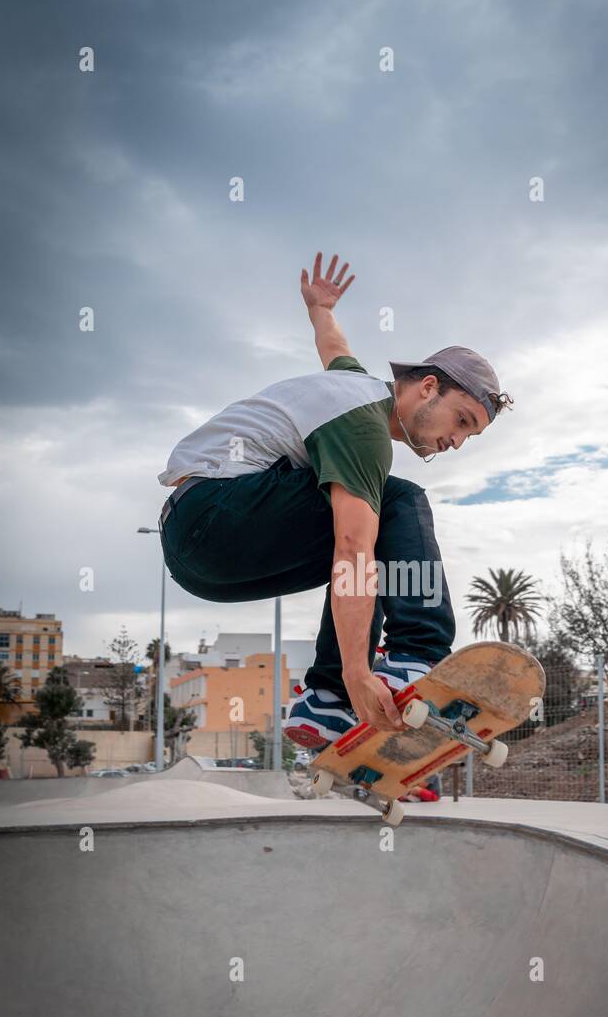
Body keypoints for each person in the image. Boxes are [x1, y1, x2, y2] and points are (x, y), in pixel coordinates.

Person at [157, 251, 512, 748]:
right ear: (428, 387)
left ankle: (325, 703)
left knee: (372, 547)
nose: (456, 441)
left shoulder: (354, 385)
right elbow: (351, 548)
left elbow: (334, 347)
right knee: (396, 506)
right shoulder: (363, 426)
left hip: (197, 557)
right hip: (215, 513)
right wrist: (358, 673)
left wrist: (320, 309)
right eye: (462, 421)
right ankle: (417, 653)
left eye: (469, 436)